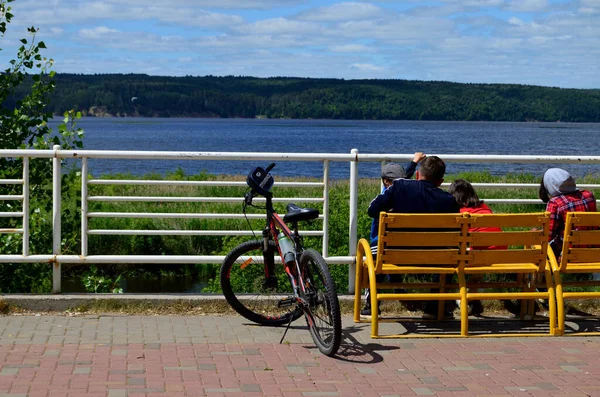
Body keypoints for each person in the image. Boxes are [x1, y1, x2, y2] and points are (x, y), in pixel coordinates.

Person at [367, 156, 460, 319]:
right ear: (440, 181)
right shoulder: (449, 201)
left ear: (417, 175)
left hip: (395, 256)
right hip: (436, 259)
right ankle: (434, 307)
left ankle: (370, 306)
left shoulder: (399, 187)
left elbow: (372, 210)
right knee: (450, 251)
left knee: (375, 249)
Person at [361, 152, 426, 316]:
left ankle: (371, 305)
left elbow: (371, 211)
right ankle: (398, 290)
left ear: (385, 181)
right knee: (390, 264)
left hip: (382, 247)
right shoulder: (412, 197)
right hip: (406, 248)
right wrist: (414, 162)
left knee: (375, 266)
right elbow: (406, 180)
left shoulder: (383, 198)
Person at [448, 179, 507, 316]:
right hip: (500, 253)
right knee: (476, 255)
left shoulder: (460, 212)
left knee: (463, 254)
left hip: (478, 255)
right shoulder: (485, 208)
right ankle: (473, 300)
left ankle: (462, 300)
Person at [539, 168, 597, 258]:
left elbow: (548, 236)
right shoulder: (588, 195)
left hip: (567, 256)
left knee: (537, 241)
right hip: (593, 252)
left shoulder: (555, 202)